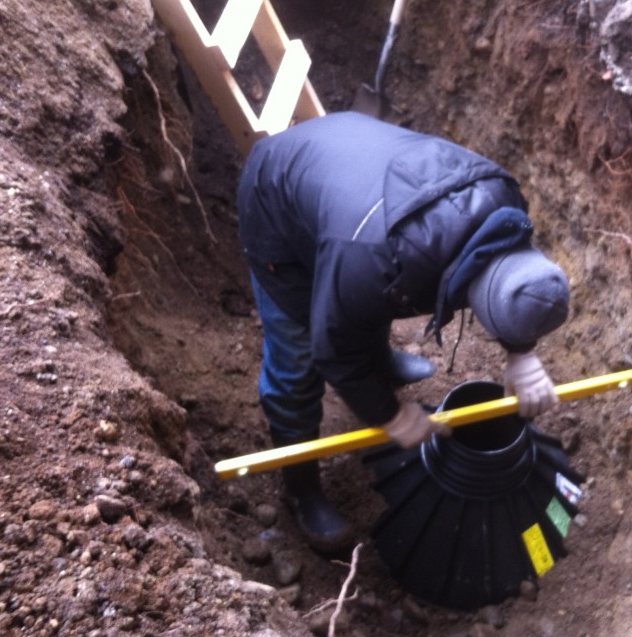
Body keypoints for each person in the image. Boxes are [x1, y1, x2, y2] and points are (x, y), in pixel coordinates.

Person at [237, 111, 570, 553]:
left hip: (350, 189)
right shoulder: (374, 258)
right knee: (298, 358)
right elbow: (333, 349)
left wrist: (522, 353)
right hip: (275, 199)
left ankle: (379, 366)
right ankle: (301, 489)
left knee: (372, 298)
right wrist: (389, 416)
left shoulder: (506, 202)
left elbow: (516, 286)